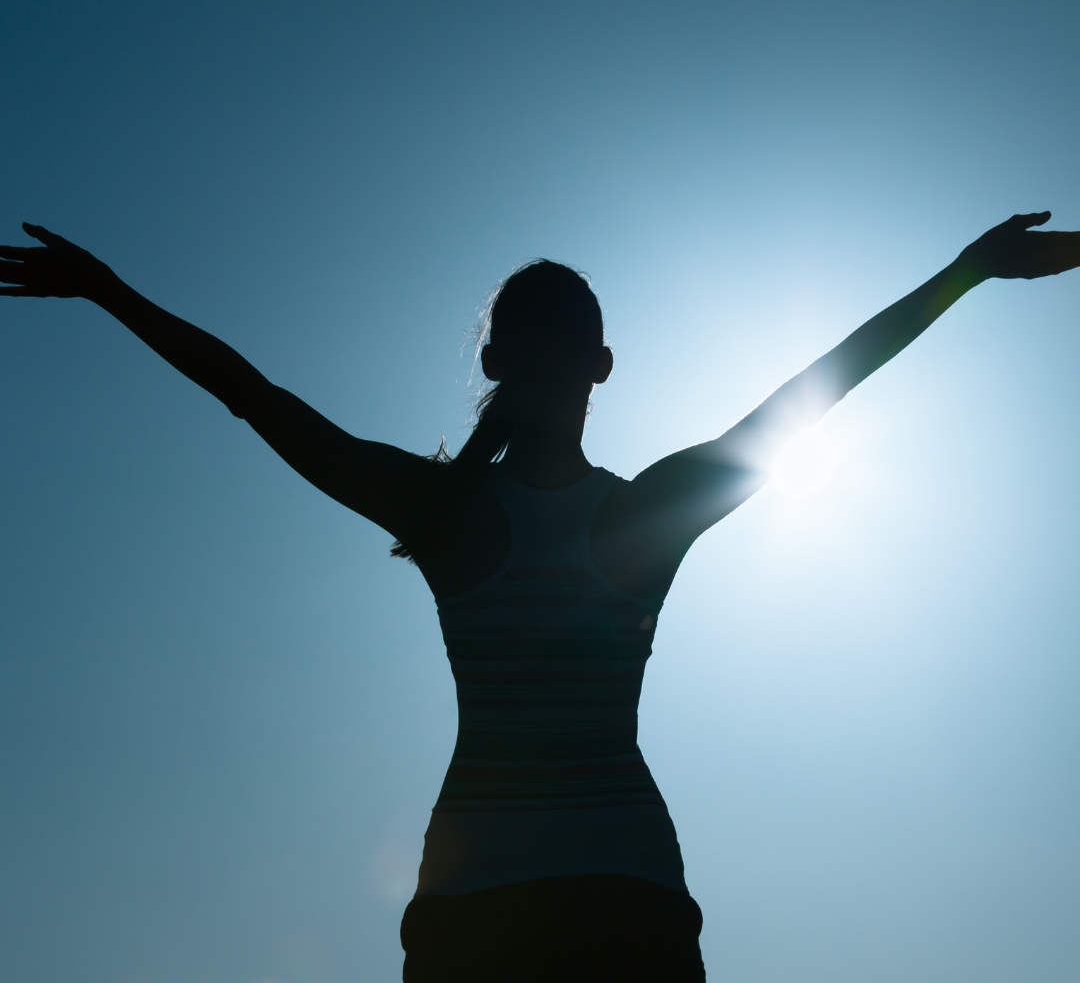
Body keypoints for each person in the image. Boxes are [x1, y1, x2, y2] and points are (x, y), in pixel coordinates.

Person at [2, 212, 1078, 981]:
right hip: (594, 900)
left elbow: (256, 402)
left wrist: (110, 293)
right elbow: (815, 394)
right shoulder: (613, 514)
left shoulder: (452, 513)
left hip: (523, 901)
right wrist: (965, 271)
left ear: (518, 357)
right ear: (596, 364)